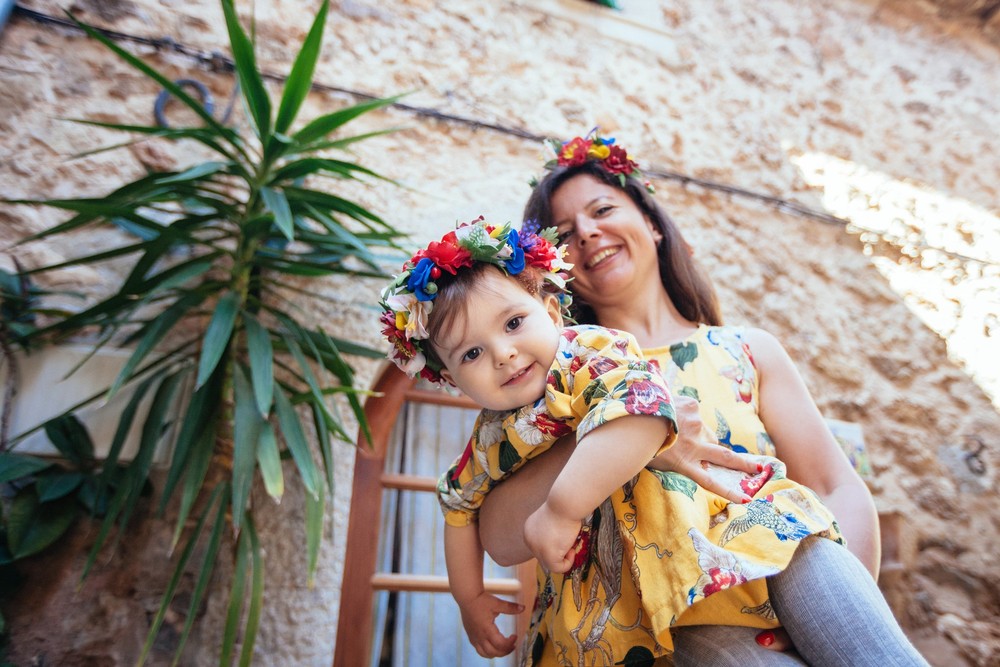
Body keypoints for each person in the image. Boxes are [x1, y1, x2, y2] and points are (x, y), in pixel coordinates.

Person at [377, 210, 926, 666]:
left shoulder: (590, 355)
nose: (501, 352)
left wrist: (562, 508)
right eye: (471, 354)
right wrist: (469, 595)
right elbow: (461, 507)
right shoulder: (489, 442)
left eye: (513, 324)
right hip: (655, 603)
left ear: (550, 309)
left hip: (754, 534)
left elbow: (642, 413)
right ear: (450, 378)